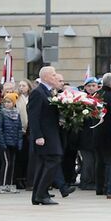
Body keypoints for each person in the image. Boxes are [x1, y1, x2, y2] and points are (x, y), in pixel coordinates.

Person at [27, 66, 70, 206]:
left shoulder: (48, 92)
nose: (55, 77)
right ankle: (41, 193)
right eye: (53, 75)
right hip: (45, 136)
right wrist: (38, 135)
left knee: (44, 165)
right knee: (53, 160)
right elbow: (33, 116)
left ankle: (39, 195)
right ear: (45, 77)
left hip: (51, 133)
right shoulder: (38, 93)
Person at [0, 92, 24, 192]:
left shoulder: (17, 113)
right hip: (5, 143)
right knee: (6, 163)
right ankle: (3, 184)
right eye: (5, 102)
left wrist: (19, 142)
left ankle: (10, 184)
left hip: (13, 143)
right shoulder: (2, 113)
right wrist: (1, 143)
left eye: (9, 102)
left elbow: (19, 129)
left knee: (12, 164)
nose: (7, 104)